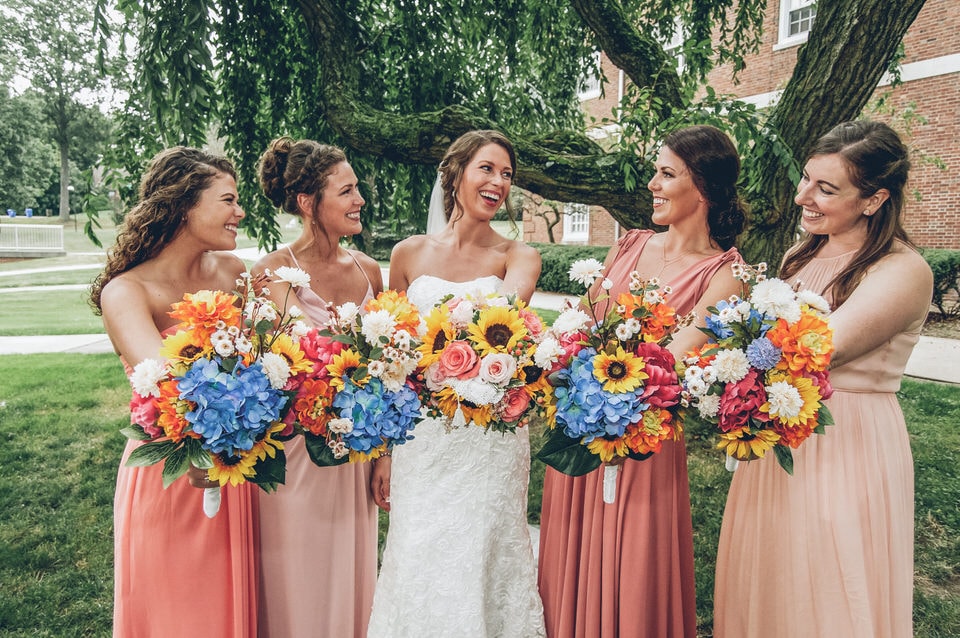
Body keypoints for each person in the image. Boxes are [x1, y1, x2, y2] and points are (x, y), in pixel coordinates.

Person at [713, 120, 932, 638]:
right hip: (780, 435)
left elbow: (817, 348)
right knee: (772, 565)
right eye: (806, 179)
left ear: (874, 199)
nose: (801, 197)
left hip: (846, 441)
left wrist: (724, 362)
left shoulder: (902, 271)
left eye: (825, 189)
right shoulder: (799, 256)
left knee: (832, 572)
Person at [537, 124, 747, 638]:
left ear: (704, 189)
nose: (652, 183)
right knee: (573, 550)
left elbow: (672, 363)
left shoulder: (726, 273)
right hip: (580, 428)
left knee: (632, 556)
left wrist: (595, 370)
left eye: (666, 173)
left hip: (644, 440)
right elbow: (577, 326)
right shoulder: (628, 244)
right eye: (656, 171)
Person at [367, 129, 546, 637]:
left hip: (488, 436)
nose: (498, 182)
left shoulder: (518, 257)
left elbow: (506, 331)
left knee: (484, 549)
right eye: (487, 168)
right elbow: (390, 362)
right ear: (456, 173)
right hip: (422, 439)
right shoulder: (406, 254)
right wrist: (384, 452)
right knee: (417, 549)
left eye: (507, 174)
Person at [89, 147, 257, 637]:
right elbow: (168, 389)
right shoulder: (126, 292)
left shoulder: (236, 273)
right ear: (185, 206)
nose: (240, 212)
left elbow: (280, 354)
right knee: (173, 610)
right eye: (228, 200)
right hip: (170, 466)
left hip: (232, 467)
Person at [252, 137, 384, 638]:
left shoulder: (367, 269)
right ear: (309, 203)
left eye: (357, 189)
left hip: (356, 454)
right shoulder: (270, 274)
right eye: (346, 191)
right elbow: (266, 371)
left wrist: (383, 456)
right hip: (294, 456)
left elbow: (389, 372)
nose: (360, 200)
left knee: (352, 576)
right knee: (298, 579)